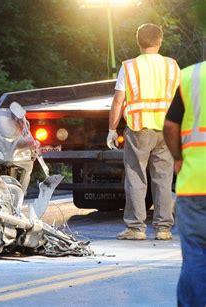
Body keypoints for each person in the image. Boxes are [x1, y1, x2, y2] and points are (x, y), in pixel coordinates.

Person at [107, 23, 180, 240]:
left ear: (138, 42)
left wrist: (112, 129)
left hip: (139, 129)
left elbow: (118, 100)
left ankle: (136, 229)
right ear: (160, 41)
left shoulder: (129, 67)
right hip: (166, 130)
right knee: (164, 179)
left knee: (136, 178)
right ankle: (164, 229)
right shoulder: (172, 66)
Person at [163, 61, 206, 306]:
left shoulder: (192, 75)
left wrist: (178, 158)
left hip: (194, 185)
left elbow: (170, 125)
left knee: (196, 258)